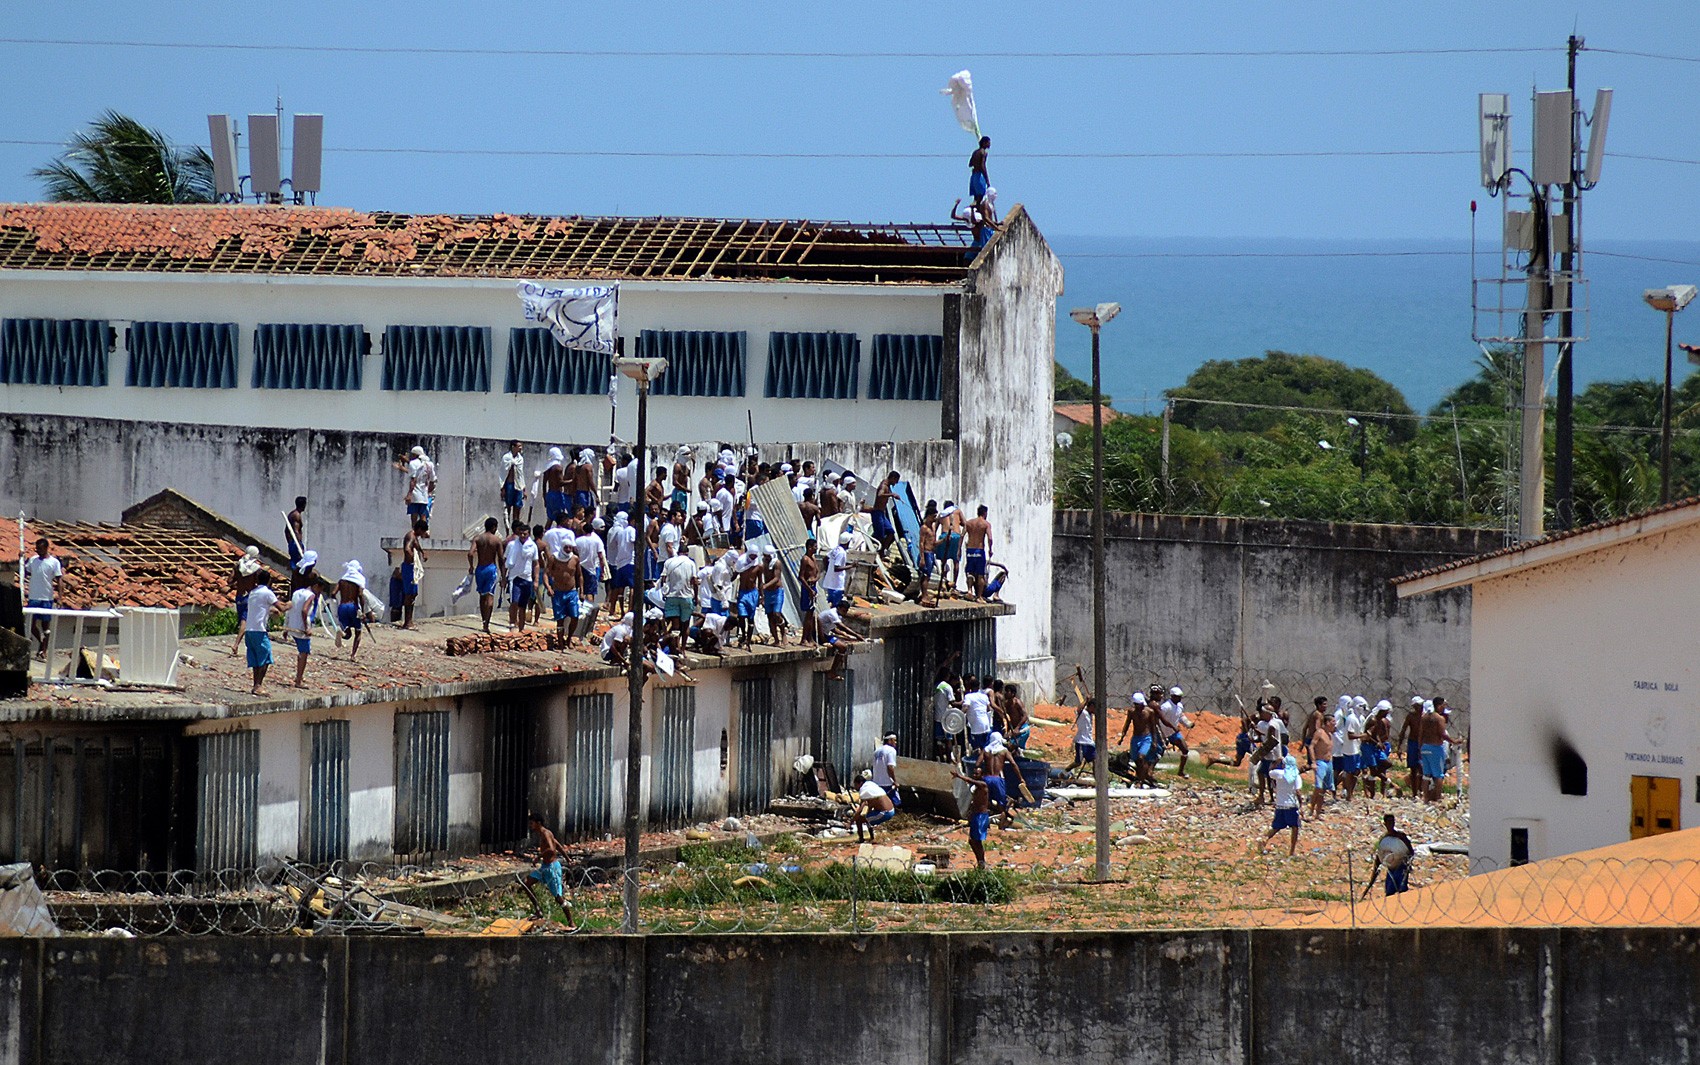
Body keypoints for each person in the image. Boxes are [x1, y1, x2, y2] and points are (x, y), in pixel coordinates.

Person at [518, 814, 576, 927]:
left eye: (532, 823)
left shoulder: (545, 833)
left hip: (551, 868)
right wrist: (568, 859)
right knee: (526, 883)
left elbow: (551, 849)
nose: (530, 826)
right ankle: (538, 910)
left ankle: (571, 922)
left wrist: (537, 857)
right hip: (544, 867)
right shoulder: (544, 833)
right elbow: (558, 845)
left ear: (538, 823)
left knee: (558, 897)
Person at [22, 537, 62, 660]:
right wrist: (22, 559)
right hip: (34, 596)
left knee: (46, 627)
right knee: (31, 624)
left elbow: (59, 579)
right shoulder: (33, 560)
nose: (38, 551)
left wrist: (60, 597)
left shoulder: (54, 562)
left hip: (46, 597)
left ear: (46, 548)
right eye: (37, 548)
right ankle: (40, 642)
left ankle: (43, 651)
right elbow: (26, 571)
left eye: (40, 549)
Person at [242, 571, 281, 695]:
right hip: (259, 631)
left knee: (256, 660)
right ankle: (258, 685)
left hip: (249, 630)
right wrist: (292, 605)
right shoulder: (268, 593)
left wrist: (270, 611)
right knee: (265, 659)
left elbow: (259, 608)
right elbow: (282, 607)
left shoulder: (253, 593)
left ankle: (255, 685)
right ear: (269, 581)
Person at [1258, 755, 1304, 857]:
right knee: (1295, 827)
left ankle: (1264, 840)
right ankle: (1292, 851)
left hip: (1280, 805)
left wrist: (1276, 762)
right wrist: (1301, 805)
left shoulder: (1279, 774)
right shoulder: (1296, 776)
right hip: (1291, 805)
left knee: (1276, 827)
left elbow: (1270, 771)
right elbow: (1298, 791)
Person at [948, 765, 992, 869]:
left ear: (982, 775)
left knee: (977, 840)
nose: (975, 775)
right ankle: (980, 861)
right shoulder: (976, 787)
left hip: (981, 816)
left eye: (977, 773)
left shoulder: (983, 784)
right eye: (974, 773)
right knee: (972, 841)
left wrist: (959, 776)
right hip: (975, 815)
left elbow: (971, 781)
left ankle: (982, 862)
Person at [1365, 814, 1416, 898]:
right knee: (1389, 893)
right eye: (1388, 822)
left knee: (1403, 892)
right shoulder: (1384, 839)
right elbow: (1380, 857)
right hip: (1391, 869)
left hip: (1401, 867)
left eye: (1392, 822)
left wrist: (1408, 864)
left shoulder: (1401, 836)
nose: (1391, 824)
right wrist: (1373, 876)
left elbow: (1410, 851)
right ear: (1385, 824)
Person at [283, 578, 318, 689]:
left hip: (293, 625)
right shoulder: (311, 595)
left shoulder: (296, 593)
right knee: (304, 653)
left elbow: (289, 608)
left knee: (301, 652)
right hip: (302, 628)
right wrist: (307, 627)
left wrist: (286, 627)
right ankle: (298, 680)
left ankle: (299, 677)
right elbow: (304, 610)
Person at [505, 524, 539, 633]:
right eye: (521, 533)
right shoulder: (512, 545)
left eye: (525, 533)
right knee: (514, 601)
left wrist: (536, 580)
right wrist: (503, 577)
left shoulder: (532, 546)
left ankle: (521, 628)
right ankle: (512, 623)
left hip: (527, 578)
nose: (523, 535)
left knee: (523, 605)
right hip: (514, 577)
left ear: (529, 534)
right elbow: (505, 561)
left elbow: (536, 563)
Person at [1418, 700, 1453, 803]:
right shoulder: (1439, 718)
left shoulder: (1424, 718)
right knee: (1438, 775)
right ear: (1438, 705)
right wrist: (1454, 741)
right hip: (1435, 748)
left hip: (1425, 747)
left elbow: (1420, 734)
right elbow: (1443, 734)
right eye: (1443, 705)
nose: (1444, 707)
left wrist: (1420, 748)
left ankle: (1425, 797)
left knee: (1426, 775)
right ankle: (1438, 797)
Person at [660, 544, 697, 640]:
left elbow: (663, 579)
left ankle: (675, 647)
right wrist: (696, 597)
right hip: (686, 596)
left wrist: (663, 592)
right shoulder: (691, 563)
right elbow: (694, 582)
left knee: (675, 626)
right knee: (685, 625)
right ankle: (683, 649)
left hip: (672, 596)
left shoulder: (669, 562)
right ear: (687, 553)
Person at [399, 517, 428, 630]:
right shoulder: (410, 536)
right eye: (423, 531)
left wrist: (422, 552)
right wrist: (412, 557)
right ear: (419, 529)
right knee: (409, 594)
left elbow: (416, 545)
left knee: (413, 594)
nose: (423, 534)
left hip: (412, 568)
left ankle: (409, 620)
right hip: (409, 568)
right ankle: (407, 622)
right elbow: (407, 548)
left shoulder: (414, 537)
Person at [335, 560, 368, 659]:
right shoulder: (359, 579)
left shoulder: (342, 580)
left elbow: (333, 593)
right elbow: (361, 595)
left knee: (347, 633)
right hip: (352, 606)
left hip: (342, 607)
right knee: (358, 632)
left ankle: (342, 633)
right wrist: (363, 611)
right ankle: (353, 655)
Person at [1157, 686, 1191, 778]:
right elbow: (1158, 718)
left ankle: (1181, 771)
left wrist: (1188, 724)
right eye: (1177, 696)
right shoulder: (1166, 707)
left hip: (1174, 733)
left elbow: (1180, 716)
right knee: (1158, 753)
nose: (1179, 698)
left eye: (1180, 696)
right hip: (1162, 733)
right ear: (1172, 696)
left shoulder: (1179, 706)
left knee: (1185, 750)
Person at [1396, 695, 1426, 797]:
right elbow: (1403, 730)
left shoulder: (1425, 716)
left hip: (1423, 743)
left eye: (1421, 705)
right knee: (1413, 768)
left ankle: (1421, 789)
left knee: (1421, 766)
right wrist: (1399, 747)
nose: (1420, 707)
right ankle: (1414, 793)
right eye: (1418, 705)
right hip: (1413, 742)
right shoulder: (1410, 716)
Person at [854, 770, 896, 842]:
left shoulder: (864, 790)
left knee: (859, 820)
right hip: (891, 810)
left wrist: (851, 821)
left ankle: (862, 839)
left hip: (885, 812)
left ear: (860, 783)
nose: (855, 787)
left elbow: (861, 810)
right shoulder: (871, 785)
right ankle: (871, 837)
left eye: (855, 785)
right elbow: (870, 805)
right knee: (866, 818)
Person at [1308, 712, 1335, 817]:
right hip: (1320, 762)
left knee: (1323, 789)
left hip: (1329, 763)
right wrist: (1313, 762)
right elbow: (1311, 746)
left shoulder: (1330, 735)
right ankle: (1311, 806)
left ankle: (1318, 812)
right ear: (1327, 722)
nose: (1334, 724)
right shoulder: (1319, 732)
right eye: (1333, 722)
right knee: (1318, 787)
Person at [760, 547, 788, 646]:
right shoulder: (763, 562)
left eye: (768, 556)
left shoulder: (777, 563)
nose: (766, 558)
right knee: (770, 616)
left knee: (777, 614)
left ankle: (783, 633)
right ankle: (776, 640)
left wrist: (766, 585)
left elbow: (776, 578)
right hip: (768, 593)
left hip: (777, 591)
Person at [963, 505, 993, 601]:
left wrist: (959, 549)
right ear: (985, 513)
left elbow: (962, 535)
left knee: (970, 572)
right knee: (980, 574)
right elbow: (990, 538)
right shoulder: (986, 524)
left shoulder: (969, 523)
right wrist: (990, 549)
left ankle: (969, 591)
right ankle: (979, 596)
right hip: (979, 551)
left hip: (970, 550)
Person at [932, 667, 961, 760]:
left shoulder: (935, 686)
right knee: (949, 739)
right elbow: (952, 702)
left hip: (937, 716)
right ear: (947, 676)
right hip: (946, 717)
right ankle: (949, 759)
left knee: (939, 740)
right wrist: (962, 702)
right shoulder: (947, 687)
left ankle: (941, 758)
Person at [399, 445, 435, 520]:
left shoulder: (413, 463)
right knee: (423, 516)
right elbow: (432, 481)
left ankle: (415, 531)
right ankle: (423, 531)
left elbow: (413, 480)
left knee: (414, 517)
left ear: (415, 454)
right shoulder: (429, 464)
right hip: (424, 496)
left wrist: (409, 495)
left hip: (415, 495)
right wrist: (428, 492)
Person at [936, 503, 963, 597]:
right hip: (956, 536)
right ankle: (954, 584)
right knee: (956, 561)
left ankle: (944, 582)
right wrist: (961, 535)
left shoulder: (941, 514)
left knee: (944, 561)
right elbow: (965, 524)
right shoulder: (957, 511)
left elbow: (934, 528)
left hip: (944, 536)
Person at [797, 538, 820, 645]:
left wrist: (816, 579)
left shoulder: (813, 558)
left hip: (813, 587)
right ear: (810, 547)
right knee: (808, 614)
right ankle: (804, 639)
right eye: (815, 546)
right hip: (808, 588)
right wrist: (809, 589)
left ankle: (810, 637)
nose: (816, 548)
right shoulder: (805, 559)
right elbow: (801, 576)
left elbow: (818, 571)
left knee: (811, 614)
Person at [962, 674, 992, 750]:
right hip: (986, 725)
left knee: (977, 748)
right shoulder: (984, 696)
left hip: (976, 726)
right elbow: (988, 709)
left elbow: (965, 708)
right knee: (985, 748)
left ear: (970, 687)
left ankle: (978, 761)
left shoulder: (968, 696)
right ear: (979, 687)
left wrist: (958, 715)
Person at [501, 440, 526, 530]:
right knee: (508, 507)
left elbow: (521, 474)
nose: (520, 448)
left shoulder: (520, 459)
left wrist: (523, 489)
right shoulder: (506, 458)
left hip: (518, 485)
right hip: (509, 485)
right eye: (519, 446)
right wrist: (503, 488)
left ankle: (516, 527)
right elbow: (503, 473)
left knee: (518, 506)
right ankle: (507, 527)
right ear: (513, 447)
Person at [871, 733, 901, 808]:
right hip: (886, 783)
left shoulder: (877, 751)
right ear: (890, 740)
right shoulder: (891, 751)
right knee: (896, 802)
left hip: (877, 782)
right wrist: (894, 781)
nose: (896, 742)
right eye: (895, 740)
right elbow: (890, 767)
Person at [822, 532, 851, 608]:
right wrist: (851, 566)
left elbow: (825, 558)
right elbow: (837, 568)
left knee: (829, 604)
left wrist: (828, 570)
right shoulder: (842, 553)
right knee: (836, 606)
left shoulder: (836, 549)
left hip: (831, 583)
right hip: (837, 584)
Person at [1068, 697, 1096, 774]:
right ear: (1092, 706)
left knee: (1095, 760)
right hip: (1081, 741)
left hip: (1089, 742)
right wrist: (1086, 701)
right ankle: (1065, 771)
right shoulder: (1083, 713)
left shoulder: (1090, 715)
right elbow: (1079, 709)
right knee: (1078, 762)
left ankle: (1097, 778)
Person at [968, 134, 992, 211]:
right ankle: (978, 213)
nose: (989, 144)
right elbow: (983, 166)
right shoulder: (983, 153)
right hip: (979, 176)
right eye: (988, 142)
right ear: (984, 143)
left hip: (973, 176)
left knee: (976, 197)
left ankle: (974, 212)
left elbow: (970, 164)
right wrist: (987, 179)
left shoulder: (975, 152)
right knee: (980, 197)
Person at [284, 496, 307, 568]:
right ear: (303, 505)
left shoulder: (293, 514)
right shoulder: (296, 515)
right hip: (295, 543)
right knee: (297, 565)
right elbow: (296, 531)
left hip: (293, 542)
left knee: (296, 564)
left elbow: (286, 531)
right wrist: (299, 545)